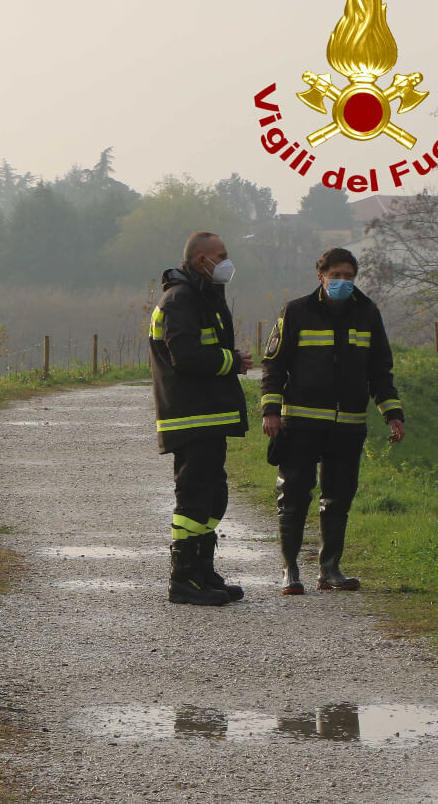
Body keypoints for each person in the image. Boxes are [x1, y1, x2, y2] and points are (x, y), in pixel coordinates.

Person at [261, 247, 404, 594]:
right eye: (336, 275)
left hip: (348, 424)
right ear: (320, 276)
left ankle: (330, 570)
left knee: (339, 497)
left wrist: (392, 413)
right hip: (301, 423)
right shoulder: (296, 311)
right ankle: (290, 570)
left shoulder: (368, 313)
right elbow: (274, 364)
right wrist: (271, 410)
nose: (342, 282)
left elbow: (380, 370)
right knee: (293, 495)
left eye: (348, 276)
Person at [149, 232, 251, 606]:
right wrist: (233, 362)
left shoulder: (203, 294)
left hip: (209, 414)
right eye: (220, 256)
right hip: (190, 416)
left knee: (214, 497)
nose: (226, 262)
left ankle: (203, 571)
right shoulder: (180, 299)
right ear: (199, 261)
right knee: (193, 499)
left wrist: (228, 359)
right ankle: (184, 579)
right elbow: (186, 356)